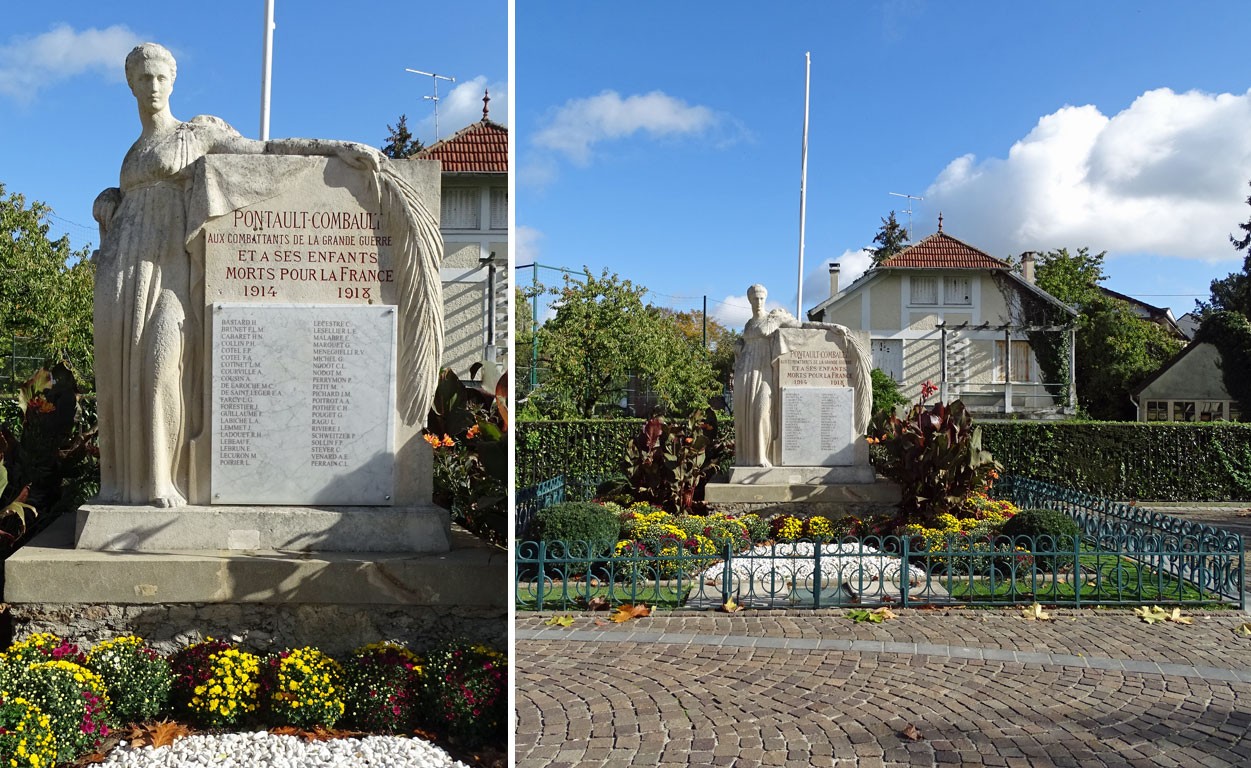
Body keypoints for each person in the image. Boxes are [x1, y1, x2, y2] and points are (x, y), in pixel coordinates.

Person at [93, 43, 387, 507]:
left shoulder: (197, 131)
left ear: (173, 81)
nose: (152, 87)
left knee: (159, 369)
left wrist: (335, 148)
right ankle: (128, 482)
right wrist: (109, 196)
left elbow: (264, 150)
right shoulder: (132, 152)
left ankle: (162, 479)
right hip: (124, 267)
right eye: (143, 78)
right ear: (131, 84)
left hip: (171, 266)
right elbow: (132, 196)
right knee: (120, 376)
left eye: (160, 78)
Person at [732, 284, 870, 467]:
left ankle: (761, 456)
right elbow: (744, 343)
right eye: (754, 298)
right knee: (746, 414)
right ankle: (748, 458)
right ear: (749, 300)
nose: (758, 302)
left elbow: (802, 326)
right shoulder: (749, 324)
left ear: (765, 299)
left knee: (761, 412)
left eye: (761, 298)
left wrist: (830, 326)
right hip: (746, 370)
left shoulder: (775, 317)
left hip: (764, 370)